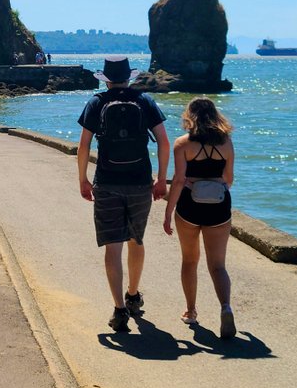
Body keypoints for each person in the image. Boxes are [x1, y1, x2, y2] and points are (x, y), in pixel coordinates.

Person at [77, 56, 170, 332]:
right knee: (135, 239)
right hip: (141, 182)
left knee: (112, 246)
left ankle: (118, 309)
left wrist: (82, 179)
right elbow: (164, 142)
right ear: (128, 77)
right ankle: (133, 294)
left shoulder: (97, 102)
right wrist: (161, 179)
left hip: (106, 182)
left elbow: (83, 146)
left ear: (105, 78)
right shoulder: (144, 101)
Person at [163, 97, 236, 338]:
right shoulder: (226, 143)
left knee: (189, 260)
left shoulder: (182, 144)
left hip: (189, 206)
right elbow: (229, 179)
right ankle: (225, 307)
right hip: (219, 206)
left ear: (189, 116)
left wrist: (168, 211)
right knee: (218, 265)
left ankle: (191, 311)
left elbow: (180, 179)